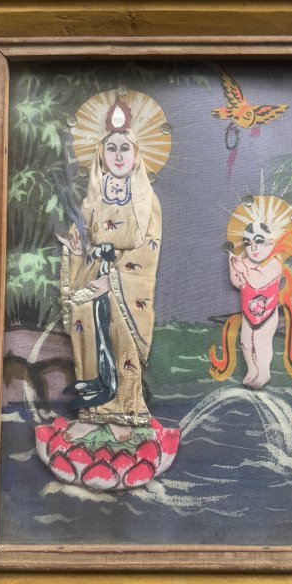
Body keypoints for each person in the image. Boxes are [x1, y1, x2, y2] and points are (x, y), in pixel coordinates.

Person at [35, 90, 179, 491]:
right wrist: (76, 251)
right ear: (100, 153)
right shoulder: (93, 198)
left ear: (137, 154)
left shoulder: (148, 202)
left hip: (125, 289)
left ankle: (126, 414)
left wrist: (111, 279)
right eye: (111, 148)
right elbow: (82, 238)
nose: (118, 155)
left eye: (125, 148)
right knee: (88, 339)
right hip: (92, 284)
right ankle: (95, 415)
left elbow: (147, 252)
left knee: (121, 344)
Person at [209, 196, 292, 388]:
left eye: (258, 241)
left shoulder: (274, 264)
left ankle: (263, 373)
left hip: (267, 314)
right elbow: (239, 283)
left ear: (269, 242)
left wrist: (244, 270)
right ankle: (252, 371)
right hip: (248, 313)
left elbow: (257, 281)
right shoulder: (246, 263)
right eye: (248, 242)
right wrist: (234, 267)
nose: (253, 247)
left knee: (261, 342)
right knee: (246, 343)